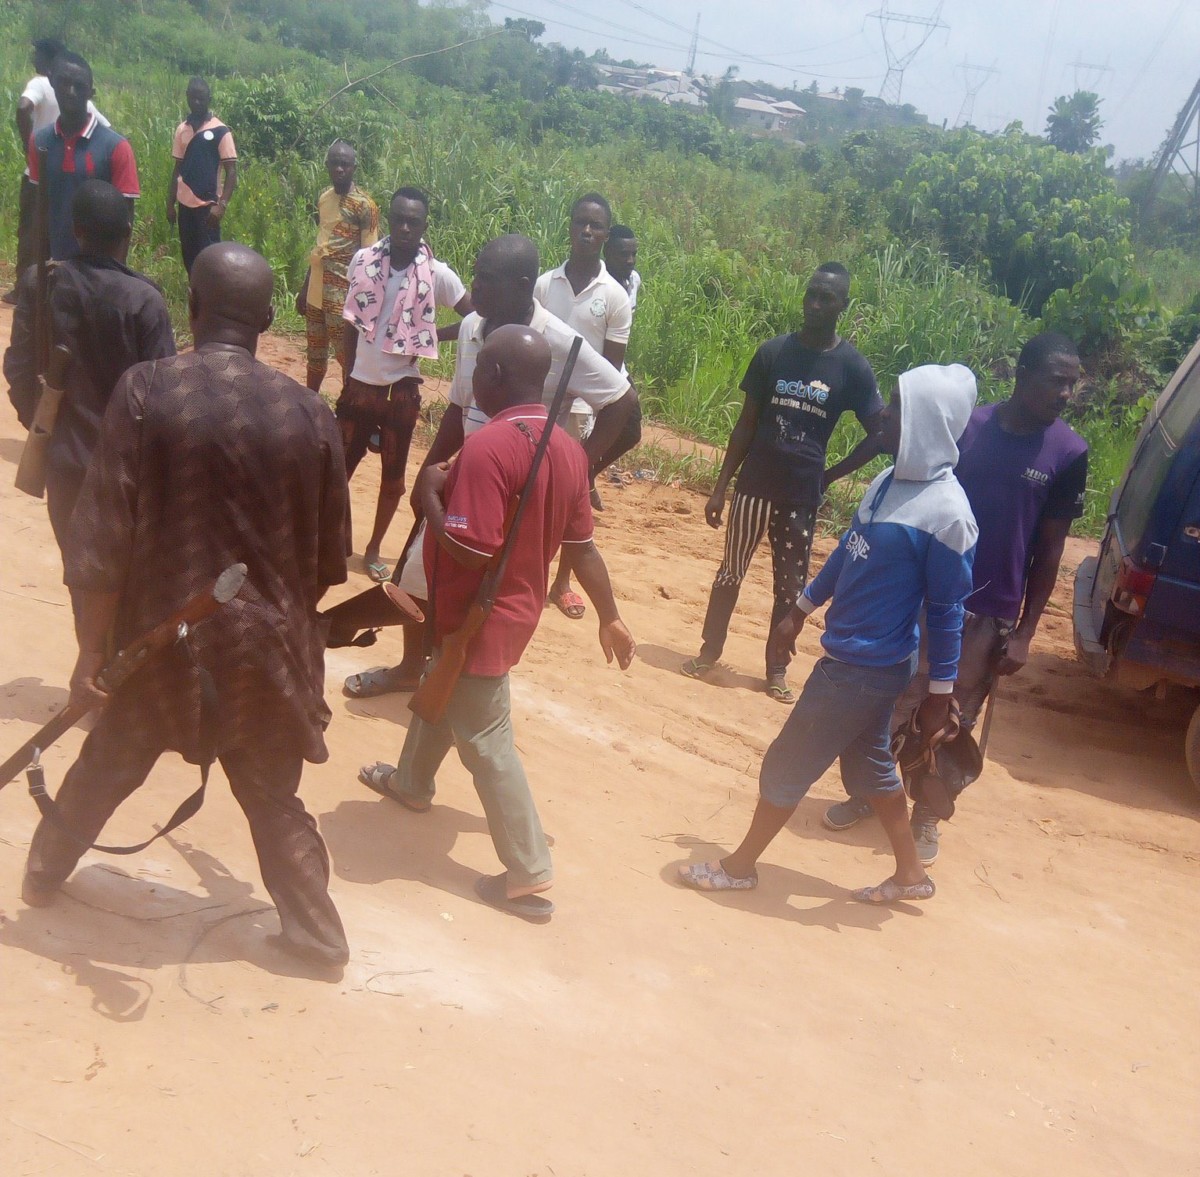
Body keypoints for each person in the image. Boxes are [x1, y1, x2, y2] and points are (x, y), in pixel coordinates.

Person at [21, 243, 352, 970]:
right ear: (269, 317)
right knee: (272, 798)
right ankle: (319, 936)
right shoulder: (311, 415)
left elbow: (100, 543)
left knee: (108, 763)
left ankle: (43, 874)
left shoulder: (145, 393)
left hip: (161, 647)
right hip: (268, 658)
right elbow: (329, 565)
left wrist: (91, 657)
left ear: (191, 309)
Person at [357, 324, 636, 921]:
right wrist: (608, 616)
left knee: (485, 739)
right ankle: (411, 784)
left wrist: (429, 495)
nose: (473, 375)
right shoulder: (566, 448)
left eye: (480, 366)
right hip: (511, 613)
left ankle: (528, 871)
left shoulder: (489, 447)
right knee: (444, 679)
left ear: (497, 378)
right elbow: (581, 545)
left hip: (479, 613)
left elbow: (472, 551)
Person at [678, 364, 978, 905]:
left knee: (788, 760)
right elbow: (847, 551)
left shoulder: (949, 514)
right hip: (855, 659)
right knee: (870, 764)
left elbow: (948, 612)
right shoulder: (887, 482)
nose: (883, 414)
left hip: (866, 668)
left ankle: (740, 866)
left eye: (896, 406)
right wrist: (800, 607)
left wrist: (940, 698)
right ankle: (911, 874)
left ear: (928, 424)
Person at [823, 332, 1089, 865]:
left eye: (1072, 384)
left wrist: (1027, 631)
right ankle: (872, 793)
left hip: (990, 611)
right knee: (890, 695)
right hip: (921, 591)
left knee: (950, 717)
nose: (1066, 393)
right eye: (1056, 381)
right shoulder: (967, 427)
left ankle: (926, 815)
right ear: (1023, 375)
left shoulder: (1069, 453)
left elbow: (1052, 550)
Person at [341, 233, 635, 700]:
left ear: (522, 285)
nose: (474, 289)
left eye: (486, 279)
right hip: (462, 478)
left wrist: (579, 465)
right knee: (417, 576)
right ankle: (411, 668)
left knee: (481, 594)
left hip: (510, 496)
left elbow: (624, 405)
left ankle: (461, 690)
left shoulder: (560, 343)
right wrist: (431, 474)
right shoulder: (475, 326)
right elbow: (458, 409)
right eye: (474, 275)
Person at [681, 262, 883, 703]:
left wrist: (830, 476)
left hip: (800, 497)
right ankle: (708, 653)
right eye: (811, 294)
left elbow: (880, 433)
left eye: (825, 298)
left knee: (789, 587)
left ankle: (776, 670)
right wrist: (720, 487)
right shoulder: (773, 352)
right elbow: (745, 424)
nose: (814, 304)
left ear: (842, 306)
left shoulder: (852, 367)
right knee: (730, 572)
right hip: (753, 488)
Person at [4, 180, 175, 559]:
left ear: (76, 231)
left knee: (80, 579)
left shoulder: (40, 282)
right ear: (128, 233)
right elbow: (164, 399)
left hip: (63, 464)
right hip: (125, 474)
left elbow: (18, 369)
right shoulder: (145, 301)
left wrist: (44, 423)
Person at [339, 186, 472, 582]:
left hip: (401, 391)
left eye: (413, 221)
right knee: (336, 468)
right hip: (360, 385)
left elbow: (473, 317)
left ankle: (375, 548)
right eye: (398, 218)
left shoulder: (437, 273)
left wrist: (430, 335)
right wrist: (347, 373)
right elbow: (350, 320)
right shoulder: (363, 261)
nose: (405, 227)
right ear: (388, 220)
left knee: (393, 478)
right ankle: (331, 536)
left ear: (424, 225)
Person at [534, 193, 633, 617]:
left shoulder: (614, 297)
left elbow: (612, 370)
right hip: (537, 402)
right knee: (530, 488)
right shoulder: (543, 284)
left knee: (570, 497)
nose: (587, 232)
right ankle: (526, 573)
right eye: (581, 223)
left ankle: (562, 583)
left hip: (581, 413)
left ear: (605, 235)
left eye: (595, 227)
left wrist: (583, 399)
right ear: (570, 226)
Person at [7, 38, 110, 301]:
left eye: (36, 54)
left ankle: (26, 290)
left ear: (47, 60)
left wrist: (27, 142)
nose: (33, 60)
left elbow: (22, 107)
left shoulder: (42, 83)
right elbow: (105, 126)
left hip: (40, 173)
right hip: (68, 174)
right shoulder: (79, 90)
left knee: (31, 232)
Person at [27, 53, 139, 262]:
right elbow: (39, 210)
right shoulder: (40, 141)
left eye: (79, 86)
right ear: (52, 82)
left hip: (100, 271)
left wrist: (116, 275)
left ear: (91, 93)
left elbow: (126, 220)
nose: (71, 92)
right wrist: (40, 266)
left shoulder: (116, 147)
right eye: (64, 83)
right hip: (56, 266)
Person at [297, 140, 378, 392]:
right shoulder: (324, 198)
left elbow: (369, 259)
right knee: (315, 352)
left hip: (343, 294)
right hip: (317, 291)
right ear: (327, 166)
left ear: (354, 167)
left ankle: (349, 410)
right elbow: (320, 246)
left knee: (347, 357)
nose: (339, 169)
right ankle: (310, 402)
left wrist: (363, 306)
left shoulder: (366, 206)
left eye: (345, 164)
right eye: (335, 164)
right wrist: (305, 287)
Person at [589, 222, 645, 511]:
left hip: (614, 365)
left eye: (633, 254)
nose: (630, 261)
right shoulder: (594, 283)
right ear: (606, 252)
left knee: (631, 430)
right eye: (624, 254)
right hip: (588, 365)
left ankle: (586, 474)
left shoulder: (633, 280)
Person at [165, 77, 237, 274]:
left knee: (211, 259)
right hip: (185, 207)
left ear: (209, 99)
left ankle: (212, 301)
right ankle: (195, 298)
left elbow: (232, 172)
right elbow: (177, 168)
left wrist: (221, 206)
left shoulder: (221, 131)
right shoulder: (182, 130)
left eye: (201, 99)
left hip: (208, 208)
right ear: (187, 97)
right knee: (189, 257)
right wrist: (170, 203)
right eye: (193, 98)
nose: (197, 103)